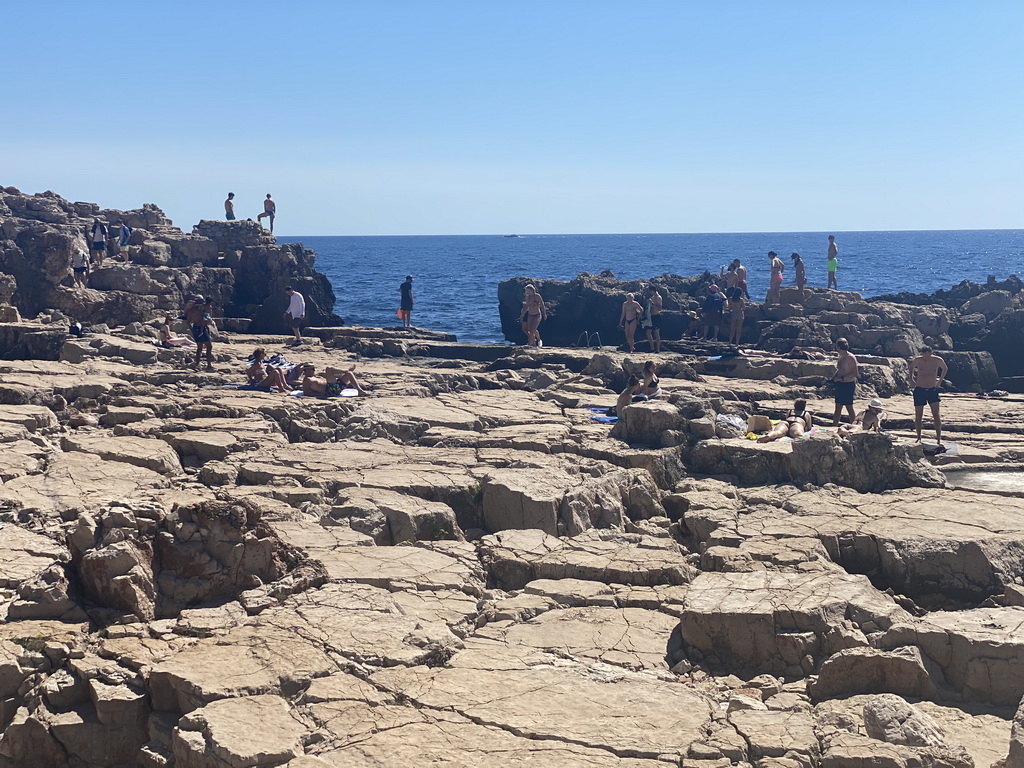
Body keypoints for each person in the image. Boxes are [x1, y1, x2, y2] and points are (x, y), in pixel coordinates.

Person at [910, 346, 946, 447]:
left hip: (932, 389)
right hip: (919, 389)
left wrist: (939, 381)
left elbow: (945, 368)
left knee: (936, 414)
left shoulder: (937, 360)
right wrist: (911, 379)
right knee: (918, 416)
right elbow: (911, 367)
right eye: (924, 355)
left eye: (928, 355)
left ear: (931, 353)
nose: (926, 358)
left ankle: (939, 439)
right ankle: (918, 437)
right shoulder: (918, 360)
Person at [830, 337, 858, 426]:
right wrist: (834, 378)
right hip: (840, 385)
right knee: (838, 406)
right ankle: (834, 425)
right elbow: (840, 370)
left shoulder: (850, 358)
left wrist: (841, 379)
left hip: (848, 385)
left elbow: (855, 373)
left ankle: (854, 425)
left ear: (838, 346)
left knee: (849, 407)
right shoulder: (841, 356)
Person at [184, 295, 215, 371]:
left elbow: (188, 322)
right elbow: (204, 320)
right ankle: (209, 365)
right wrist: (202, 329)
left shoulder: (191, 310)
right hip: (202, 328)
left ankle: (197, 364)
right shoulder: (201, 309)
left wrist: (192, 330)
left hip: (195, 328)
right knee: (209, 346)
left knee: (199, 348)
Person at [300, 363, 368, 397]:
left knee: (349, 374)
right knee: (328, 368)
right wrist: (319, 394)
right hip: (330, 390)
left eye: (314, 368)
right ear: (306, 370)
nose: (314, 370)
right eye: (312, 369)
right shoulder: (307, 380)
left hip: (335, 387)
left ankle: (360, 391)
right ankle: (346, 370)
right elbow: (306, 393)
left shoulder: (313, 376)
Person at [643, 285, 663, 353]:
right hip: (651, 317)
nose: (649, 292)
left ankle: (657, 349)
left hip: (656, 316)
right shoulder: (652, 297)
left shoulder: (658, 297)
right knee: (648, 332)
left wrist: (652, 303)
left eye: (650, 291)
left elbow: (660, 308)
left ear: (652, 290)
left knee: (656, 333)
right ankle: (652, 348)